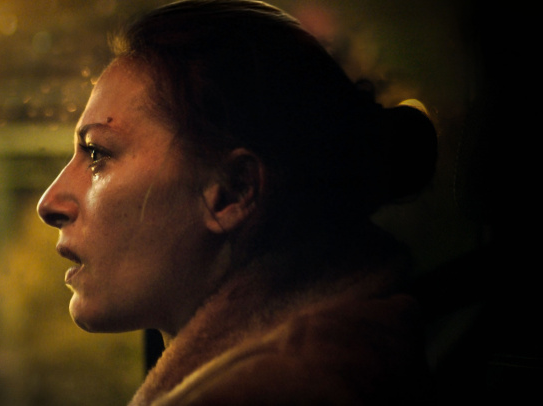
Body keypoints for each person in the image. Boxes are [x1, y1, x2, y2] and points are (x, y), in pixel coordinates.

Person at [36, 0, 437, 404]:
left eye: (97, 153)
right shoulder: (348, 354)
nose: (49, 203)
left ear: (233, 190)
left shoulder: (286, 389)